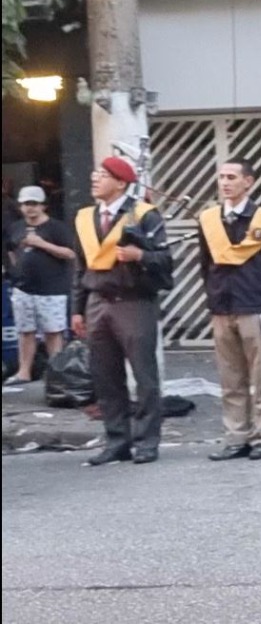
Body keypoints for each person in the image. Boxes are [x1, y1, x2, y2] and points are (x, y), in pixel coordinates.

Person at [71, 157, 173, 466]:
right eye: (95, 173)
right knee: (105, 376)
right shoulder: (85, 218)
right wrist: (77, 310)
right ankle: (117, 441)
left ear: (121, 183)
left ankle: (146, 442)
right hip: (97, 301)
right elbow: (80, 267)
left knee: (144, 376)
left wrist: (139, 254)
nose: (94, 178)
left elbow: (165, 259)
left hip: (134, 302)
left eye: (103, 175)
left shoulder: (144, 214)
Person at [199, 158, 261, 461]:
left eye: (231, 177)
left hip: (256, 305)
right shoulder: (210, 219)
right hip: (222, 307)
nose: (225, 183)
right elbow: (205, 265)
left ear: (248, 182)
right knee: (230, 379)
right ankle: (236, 437)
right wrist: (212, 298)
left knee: (260, 378)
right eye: (222, 177)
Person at [4, 186, 76, 385]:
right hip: (23, 288)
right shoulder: (15, 227)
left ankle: (56, 374)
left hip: (52, 288)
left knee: (53, 332)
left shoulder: (57, 228)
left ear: (43, 206)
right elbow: (11, 249)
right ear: (20, 206)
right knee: (25, 331)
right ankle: (23, 372)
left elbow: (70, 253)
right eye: (26, 204)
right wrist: (16, 268)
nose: (30, 208)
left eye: (34, 204)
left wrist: (42, 244)